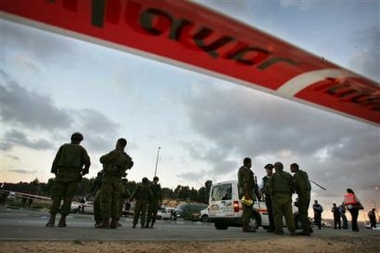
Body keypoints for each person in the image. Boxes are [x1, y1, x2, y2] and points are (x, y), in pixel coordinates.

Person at [46, 132, 91, 227]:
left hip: (61, 173)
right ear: (80, 140)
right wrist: (83, 172)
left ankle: (52, 219)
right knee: (68, 198)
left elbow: (56, 160)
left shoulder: (63, 147)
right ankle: (62, 220)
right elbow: (87, 161)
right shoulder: (81, 149)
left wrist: (55, 173)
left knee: (57, 197)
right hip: (74, 175)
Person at [97, 138, 134, 229]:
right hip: (118, 181)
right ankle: (114, 221)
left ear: (118, 143)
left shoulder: (114, 153)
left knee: (106, 200)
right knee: (115, 201)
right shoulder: (126, 157)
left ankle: (105, 222)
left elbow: (102, 159)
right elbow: (130, 164)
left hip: (108, 179)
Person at [268, 162, 296, 236]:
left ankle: (279, 230)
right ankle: (292, 230)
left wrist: (272, 196)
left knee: (278, 214)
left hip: (277, 197)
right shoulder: (288, 175)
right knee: (289, 214)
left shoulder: (273, 176)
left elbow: (269, 187)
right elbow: (293, 186)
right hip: (287, 197)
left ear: (276, 168)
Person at [290, 163, 312, 236]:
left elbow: (297, 185)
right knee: (305, 212)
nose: (290, 169)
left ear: (294, 168)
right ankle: (308, 227)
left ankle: (306, 230)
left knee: (302, 212)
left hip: (303, 195)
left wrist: (292, 189)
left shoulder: (297, 175)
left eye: (291, 168)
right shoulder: (304, 173)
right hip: (307, 194)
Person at [237, 157, 256, 232]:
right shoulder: (246, 170)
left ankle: (245, 225)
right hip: (246, 191)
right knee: (248, 208)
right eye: (251, 163)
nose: (251, 164)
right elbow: (246, 182)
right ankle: (245, 226)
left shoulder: (241, 169)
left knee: (245, 208)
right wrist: (247, 193)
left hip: (243, 191)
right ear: (248, 163)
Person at [260, 163, 275, 232]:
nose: (269, 171)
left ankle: (278, 227)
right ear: (266, 170)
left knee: (277, 212)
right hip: (268, 197)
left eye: (271, 169)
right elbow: (261, 189)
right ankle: (272, 227)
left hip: (276, 197)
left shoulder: (276, 177)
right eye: (268, 169)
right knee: (270, 212)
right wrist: (262, 195)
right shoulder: (264, 179)